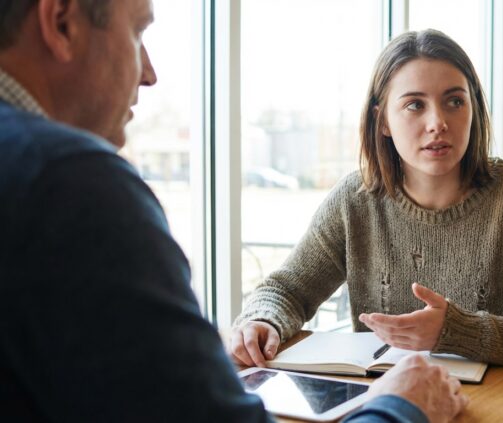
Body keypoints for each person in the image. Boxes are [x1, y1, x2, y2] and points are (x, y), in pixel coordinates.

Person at [0, 1, 466, 421]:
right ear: (61, 23)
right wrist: (400, 408)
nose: (150, 73)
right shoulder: (69, 184)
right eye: (138, 31)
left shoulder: (47, 178)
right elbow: (287, 288)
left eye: (454, 101)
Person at [231, 29, 503, 368]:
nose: (438, 123)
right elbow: (286, 291)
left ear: (474, 109)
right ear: (382, 120)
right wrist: (262, 320)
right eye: (415, 105)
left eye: (454, 101)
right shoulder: (354, 200)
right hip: (388, 403)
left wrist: (458, 331)